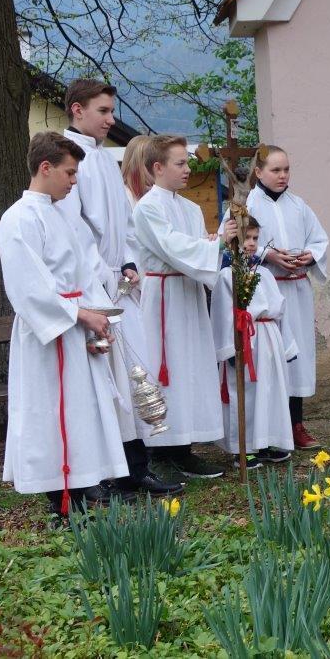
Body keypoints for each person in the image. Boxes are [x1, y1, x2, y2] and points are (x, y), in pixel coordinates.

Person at [59, 78, 182, 497]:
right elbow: (74, 231)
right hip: (94, 287)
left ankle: (134, 468)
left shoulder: (103, 158)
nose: (112, 120)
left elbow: (123, 224)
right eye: (103, 111)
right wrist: (100, 278)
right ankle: (102, 473)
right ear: (77, 110)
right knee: (104, 381)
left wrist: (128, 262)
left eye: (112, 111)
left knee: (131, 375)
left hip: (118, 281)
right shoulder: (68, 159)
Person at [0, 132, 131, 517]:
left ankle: (83, 482)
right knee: (51, 411)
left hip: (77, 325)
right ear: (45, 168)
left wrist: (100, 316)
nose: (74, 181)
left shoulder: (64, 216)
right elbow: (28, 287)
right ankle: (60, 497)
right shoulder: (18, 219)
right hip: (49, 334)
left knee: (80, 409)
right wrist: (79, 314)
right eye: (69, 173)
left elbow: (86, 271)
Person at [133, 135, 238, 478]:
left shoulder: (191, 208)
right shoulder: (147, 208)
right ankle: (161, 451)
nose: (187, 169)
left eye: (187, 162)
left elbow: (198, 252)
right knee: (168, 369)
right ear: (157, 167)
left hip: (189, 294)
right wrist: (215, 244)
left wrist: (214, 245)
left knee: (192, 368)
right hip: (164, 299)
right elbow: (173, 247)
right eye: (180, 163)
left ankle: (185, 447)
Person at [243, 146, 329, 449]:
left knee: (297, 357)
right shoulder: (247, 206)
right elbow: (236, 243)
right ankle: (267, 431)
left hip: (297, 291)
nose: (282, 176)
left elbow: (319, 239)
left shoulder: (298, 205)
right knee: (270, 358)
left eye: (286, 169)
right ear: (259, 172)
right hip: (267, 294)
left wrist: (310, 255)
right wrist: (267, 255)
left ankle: (295, 425)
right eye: (275, 170)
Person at [211, 217, 297, 469]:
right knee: (246, 393)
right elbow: (222, 314)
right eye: (245, 238)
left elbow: (280, 311)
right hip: (246, 342)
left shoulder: (264, 274)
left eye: (255, 238)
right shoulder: (226, 276)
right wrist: (229, 349)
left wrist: (286, 345)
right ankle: (243, 448)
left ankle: (266, 440)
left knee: (270, 392)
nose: (250, 244)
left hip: (269, 339)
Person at [121, 134, 154, 204]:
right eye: (151, 161)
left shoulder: (157, 195)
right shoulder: (122, 196)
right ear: (136, 164)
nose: (157, 167)